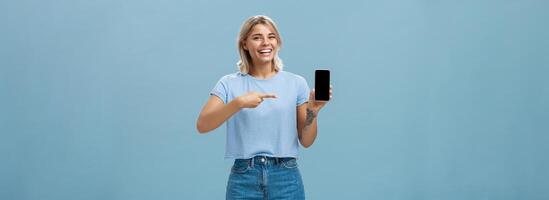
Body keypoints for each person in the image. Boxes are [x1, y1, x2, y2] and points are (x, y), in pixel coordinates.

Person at [196, 15, 332, 200]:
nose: (265, 43)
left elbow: (306, 141)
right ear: (245, 44)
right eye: (257, 37)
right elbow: (203, 125)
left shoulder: (296, 83)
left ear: (278, 42)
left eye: (271, 36)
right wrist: (239, 103)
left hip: (286, 176)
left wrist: (312, 112)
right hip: (244, 176)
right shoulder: (229, 83)